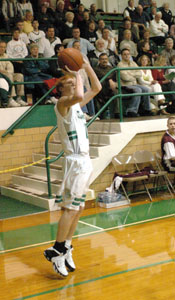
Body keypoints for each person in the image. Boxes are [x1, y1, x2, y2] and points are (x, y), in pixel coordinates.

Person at [43, 59, 101, 277]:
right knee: (70, 208)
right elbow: (78, 94)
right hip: (74, 161)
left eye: (74, 81)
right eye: (70, 82)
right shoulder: (62, 104)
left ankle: (66, 245)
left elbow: (97, 88)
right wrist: (76, 71)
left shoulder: (76, 104)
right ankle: (56, 250)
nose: (76, 84)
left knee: (80, 207)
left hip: (85, 160)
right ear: (61, 89)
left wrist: (86, 66)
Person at [117, 48, 152, 117]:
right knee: (138, 90)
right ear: (121, 56)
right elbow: (125, 78)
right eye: (125, 54)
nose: (127, 56)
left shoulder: (133, 63)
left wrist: (129, 74)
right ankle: (131, 110)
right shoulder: (120, 65)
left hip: (134, 84)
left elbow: (139, 73)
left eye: (128, 54)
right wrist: (133, 74)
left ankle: (147, 110)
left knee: (146, 89)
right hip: (124, 85)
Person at [0, 41, 27, 107]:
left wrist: (7, 72)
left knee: (19, 76)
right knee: (9, 76)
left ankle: (19, 98)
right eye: (0, 47)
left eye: (4, 47)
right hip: (1, 76)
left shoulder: (6, 56)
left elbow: (10, 67)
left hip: (7, 73)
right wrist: (6, 72)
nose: (2, 49)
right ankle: (10, 98)